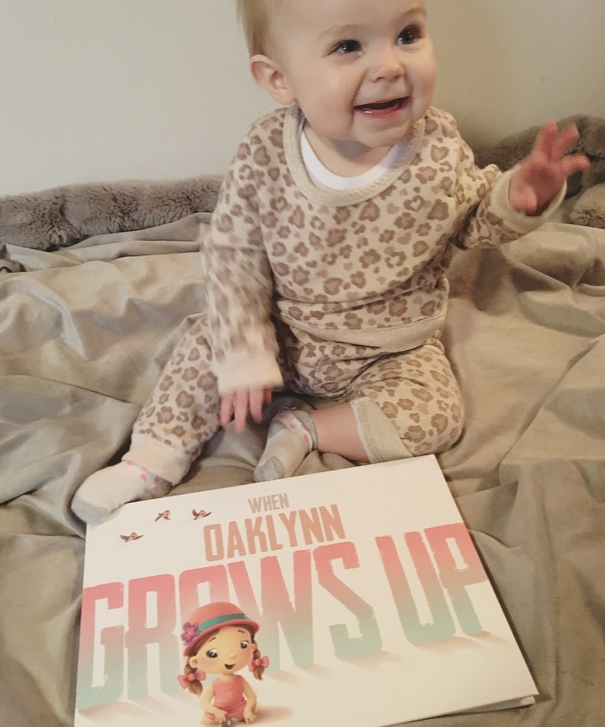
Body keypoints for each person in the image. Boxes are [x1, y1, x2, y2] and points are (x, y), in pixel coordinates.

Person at [72, 0, 589, 524]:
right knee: (205, 346)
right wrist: (247, 354)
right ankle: (151, 461)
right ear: (279, 79)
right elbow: (234, 255)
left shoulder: (437, 148)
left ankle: (305, 429)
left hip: (389, 348)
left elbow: (472, 222)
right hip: (286, 332)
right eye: (348, 46)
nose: (389, 66)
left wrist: (519, 197)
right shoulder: (265, 152)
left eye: (407, 34)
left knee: (437, 416)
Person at [178, 601, 268, 725]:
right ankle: (228, 718)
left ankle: (237, 717)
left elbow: (252, 697)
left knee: (254, 707)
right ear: (195, 661)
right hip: (220, 711)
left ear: (252, 647)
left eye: (243, 645)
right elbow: (204, 703)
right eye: (212, 653)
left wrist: (247, 709)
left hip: (239, 708)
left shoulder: (239, 680)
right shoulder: (215, 684)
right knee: (208, 719)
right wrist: (215, 711)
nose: (232, 655)